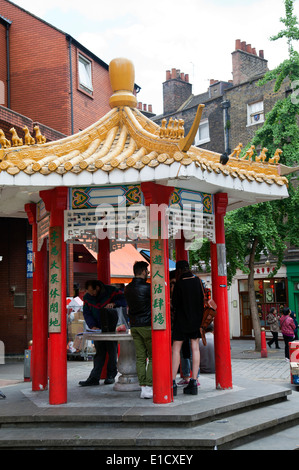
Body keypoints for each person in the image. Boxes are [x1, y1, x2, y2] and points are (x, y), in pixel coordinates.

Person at [79, 280, 126, 386]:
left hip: (111, 327)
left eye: (92, 291)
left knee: (112, 351)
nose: (91, 294)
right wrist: (92, 326)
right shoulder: (87, 297)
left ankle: (111, 376)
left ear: (98, 287)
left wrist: (114, 303)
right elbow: (87, 313)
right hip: (97, 328)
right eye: (89, 292)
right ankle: (94, 377)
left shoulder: (112, 291)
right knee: (99, 353)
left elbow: (124, 301)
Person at [171, 260, 204, 396]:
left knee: (176, 349)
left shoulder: (179, 284)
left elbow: (174, 304)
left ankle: (172, 382)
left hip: (181, 320)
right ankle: (194, 382)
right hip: (196, 320)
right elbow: (202, 299)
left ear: (179, 270)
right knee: (195, 347)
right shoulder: (198, 282)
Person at [124, 261, 152, 399]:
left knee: (140, 357)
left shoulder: (127, 288)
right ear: (142, 271)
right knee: (152, 357)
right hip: (147, 325)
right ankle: (150, 385)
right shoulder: (148, 288)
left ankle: (143, 388)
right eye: (146, 271)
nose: (148, 273)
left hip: (134, 326)